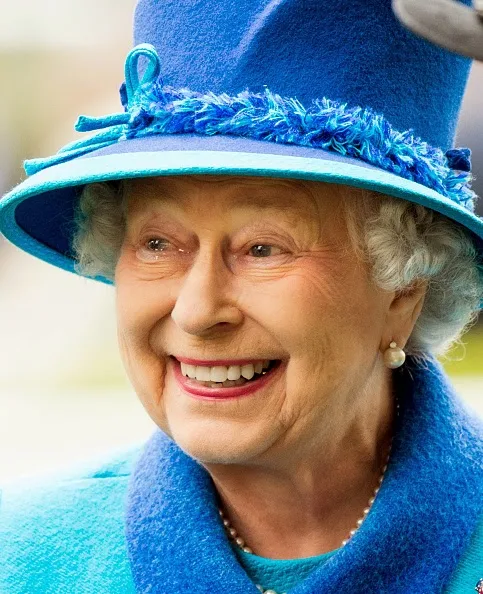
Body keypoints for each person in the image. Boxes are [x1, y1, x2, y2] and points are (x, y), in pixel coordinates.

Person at [1, 0, 483, 592]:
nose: (198, 311)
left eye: (263, 249)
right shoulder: (21, 560)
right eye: (157, 242)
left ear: (404, 288)